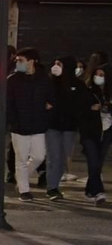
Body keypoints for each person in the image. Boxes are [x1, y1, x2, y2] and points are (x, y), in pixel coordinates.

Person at [6, 48, 51, 201]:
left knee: (39, 156)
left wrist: (50, 105)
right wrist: (13, 121)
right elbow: (8, 103)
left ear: (31, 61)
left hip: (38, 124)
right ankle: (24, 190)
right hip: (19, 126)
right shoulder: (12, 80)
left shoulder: (43, 78)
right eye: (17, 60)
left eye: (21, 60)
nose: (18, 63)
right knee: (21, 159)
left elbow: (51, 97)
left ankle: (22, 179)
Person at [45, 56, 86, 201]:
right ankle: (52, 187)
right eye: (55, 64)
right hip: (52, 126)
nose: (55, 67)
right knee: (54, 157)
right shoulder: (50, 82)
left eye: (59, 64)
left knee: (63, 157)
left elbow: (81, 104)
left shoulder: (77, 85)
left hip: (69, 127)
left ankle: (54, 184)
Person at [80, 57, 109, 205]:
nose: (99, 78)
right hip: (89, 132)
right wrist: (90, 109)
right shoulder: (88, 91)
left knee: (97, 163)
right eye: (97, 74)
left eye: (102, 75)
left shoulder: (108, 94)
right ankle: (99, 192)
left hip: (106, 131)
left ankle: (90, 190)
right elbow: (79, 109)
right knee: (93, 160)